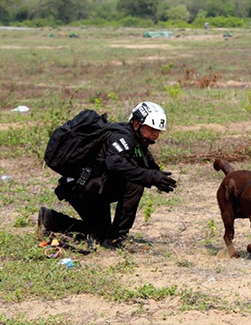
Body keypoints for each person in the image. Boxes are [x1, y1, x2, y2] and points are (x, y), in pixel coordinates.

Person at [38, 101, 177, 247]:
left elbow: (148, 166)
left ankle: (51, 220)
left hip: (94, 189)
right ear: (136, 124)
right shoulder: (122, 138)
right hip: (82, 190)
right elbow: (115, 164)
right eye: (151, 129)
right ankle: (118, 237)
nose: (155, 134)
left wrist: (158, 176)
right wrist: (151, 177)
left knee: (101, 235)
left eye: (158, 131)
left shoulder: (138, 142)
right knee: (135, 183)